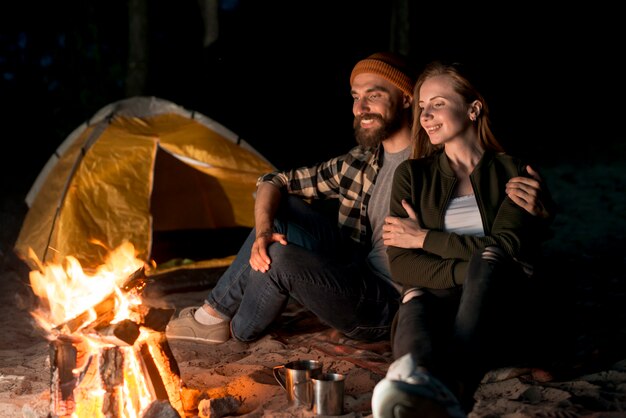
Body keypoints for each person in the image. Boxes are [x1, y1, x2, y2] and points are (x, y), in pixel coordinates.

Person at [165, 53, 549, 349]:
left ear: (404, 99)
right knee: (283, 214)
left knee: (277, 262)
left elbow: (493, 204)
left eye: (374, 95)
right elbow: (275, 180)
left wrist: (539, 207)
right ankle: (213, 312)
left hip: (391, 299)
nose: (360, 106)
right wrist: (264, 230)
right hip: (356, 270)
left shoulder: (436, 157)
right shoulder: (362, 161)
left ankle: (228, 325)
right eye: (355, 96)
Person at [371, 60, 555, 418]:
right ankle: (414, 383)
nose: (425, 115)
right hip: (437, 299)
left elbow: (508, 249)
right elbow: (403, 265)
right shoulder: (413, 174)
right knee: (414, 295)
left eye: (437, 103)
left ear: (473, 108)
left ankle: (453, 386)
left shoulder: (512, 171)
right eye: (422, 106)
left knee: (488, 264)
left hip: (500, 303)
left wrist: (424, 238)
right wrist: (476, 260)